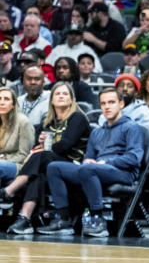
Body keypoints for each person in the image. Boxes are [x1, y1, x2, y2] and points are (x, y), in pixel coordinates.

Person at [39, 87, 144, 237]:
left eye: (111, 102)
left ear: (121, 104)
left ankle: (98, 219)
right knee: (54, 167)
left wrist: (105, 162)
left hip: (123, 172)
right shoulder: (97, 132)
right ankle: (64, 219)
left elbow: (134, 158)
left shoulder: (131, 127)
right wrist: (88, 161)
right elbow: (87, 158)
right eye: (103, 103)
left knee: (88, 170)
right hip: (95, 170)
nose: (107, 107)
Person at [2, 82, 90, 234]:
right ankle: (24, 219)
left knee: (42, 155)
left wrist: (43, 148)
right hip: (50, 167)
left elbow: (65, 146)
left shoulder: (78, 118)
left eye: (65, 94)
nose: (61, 96)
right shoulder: (47, 122)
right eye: (57, 94)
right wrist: (40, 144)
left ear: (71, 100)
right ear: (52, 100)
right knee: (39, 176)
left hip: (73, 166)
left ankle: (9, 190)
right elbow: (36, 145)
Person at [0, 86, 36, 190]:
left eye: (6, 99)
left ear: (13, 105)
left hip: (19, 166)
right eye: (0, 99)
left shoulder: (23, 122)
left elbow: (24, 155)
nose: (2, 102)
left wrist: (5, 159)